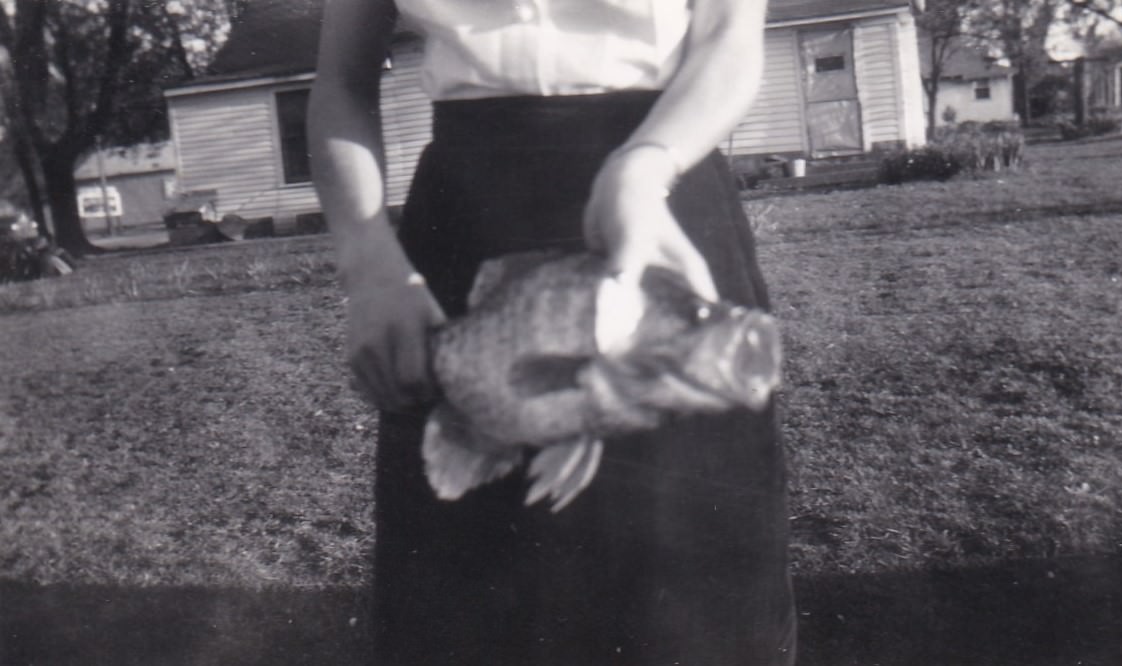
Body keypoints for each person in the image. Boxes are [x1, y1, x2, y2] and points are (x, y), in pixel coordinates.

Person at [308, 1, 796, 663]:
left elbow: (728, 37)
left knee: (682, 606)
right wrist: (365, 256)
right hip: (466, 223)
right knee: (471, 605)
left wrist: (644, 169)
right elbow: (340, 79)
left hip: (655, 201)